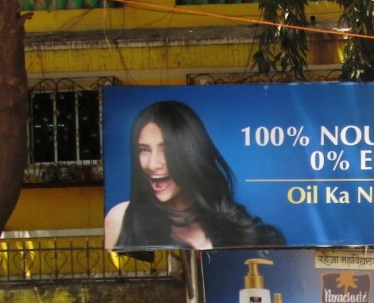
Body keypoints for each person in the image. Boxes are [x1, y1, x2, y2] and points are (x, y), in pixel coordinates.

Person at [105, 100, 284, 250]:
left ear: (190, 153)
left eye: (166, 149)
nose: (153, 164)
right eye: (144, 150)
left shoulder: (233, 230)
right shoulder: (120, 219)